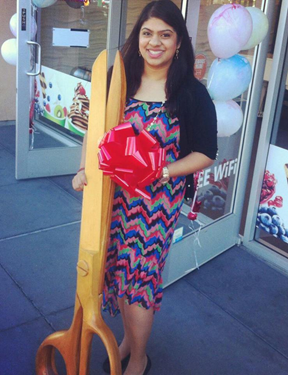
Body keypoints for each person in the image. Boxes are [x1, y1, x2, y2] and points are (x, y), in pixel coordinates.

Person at [72, 1, 218, 374]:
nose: (155, 42)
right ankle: (125, 342)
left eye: (165, 35)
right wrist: (84, 169)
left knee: (139, 279)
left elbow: (206, 152)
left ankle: (139, 357)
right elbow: (98, 134)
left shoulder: (190, 92)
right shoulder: (118, 80)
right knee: (117, 269)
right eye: (148, 33)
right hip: (113, 197)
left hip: (155, 204)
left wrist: (163, 172)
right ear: (138, 37)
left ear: (179, 42)